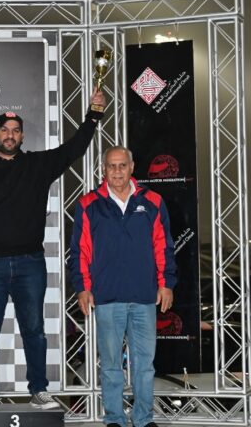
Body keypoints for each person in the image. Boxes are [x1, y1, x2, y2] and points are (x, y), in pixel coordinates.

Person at [0, 89, 106, 410]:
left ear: (22, 136)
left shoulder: (39, 165)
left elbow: (74, 148)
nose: (9, 135)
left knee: (34, 330)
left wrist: (93, 115)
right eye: (4, 130)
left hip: (30, 263)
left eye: (15, 131)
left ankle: (39, 390)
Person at [68, 146, 177, 427]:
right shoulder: (88, 204)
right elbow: (80, 251)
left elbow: (163, 246)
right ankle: (114, 418)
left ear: (132, 167)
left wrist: (166, 284)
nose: (117, 171)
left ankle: (143, 419)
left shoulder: (152, 201)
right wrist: (82, 287)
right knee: (111, 365)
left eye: (122, 165)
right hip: (107, 297)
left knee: (144, 365)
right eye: (111, 166)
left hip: (144, 297)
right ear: (103, 169)